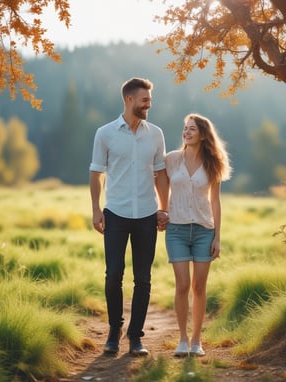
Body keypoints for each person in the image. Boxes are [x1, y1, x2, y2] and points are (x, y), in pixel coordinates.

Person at [89, 77, 169, 357]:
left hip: (147, 214)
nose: (149, 103)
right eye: (144, 99)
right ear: (129, 99)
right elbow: (96, 172)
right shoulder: (105, 133)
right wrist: (96, 209)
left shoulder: (156, 134)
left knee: (143, 279)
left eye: (150, 99)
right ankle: (114, 331)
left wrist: (164, 207)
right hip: (116, 214)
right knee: (113, 276)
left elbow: (161, 173)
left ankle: (135, 337)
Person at [165, 113, 232, 357]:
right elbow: (159, 185)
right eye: (185, 128)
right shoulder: (171, 160)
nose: (186, 132)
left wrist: (217, 237)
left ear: (203, 135)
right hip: (176, 230)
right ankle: (182, 339)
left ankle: (196, 341)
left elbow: (215, 201)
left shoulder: (214, 162)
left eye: (192, 129)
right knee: (182, 285)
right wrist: (161, 211)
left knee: (199, 286)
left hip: (205, 230)